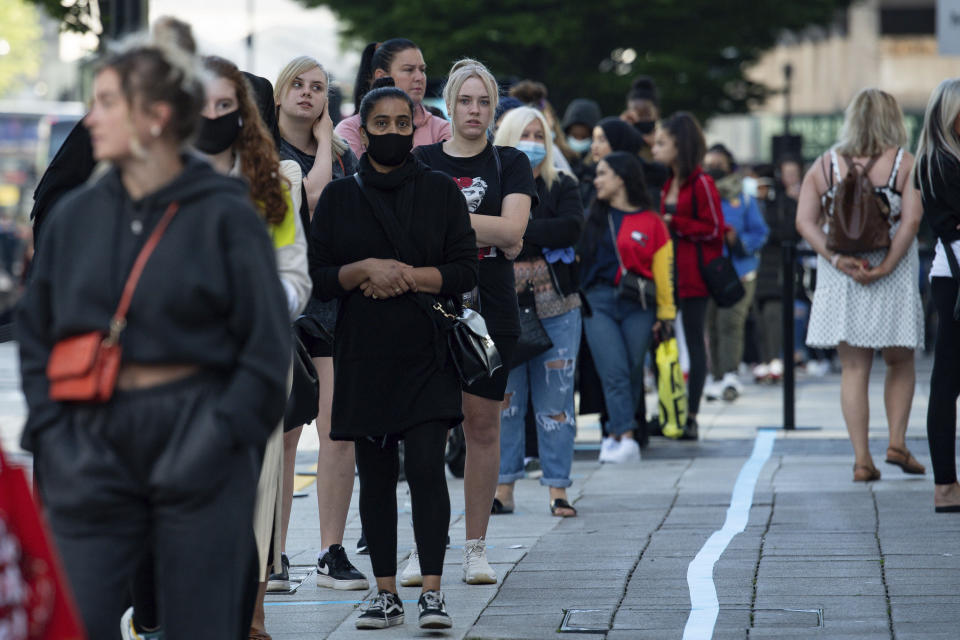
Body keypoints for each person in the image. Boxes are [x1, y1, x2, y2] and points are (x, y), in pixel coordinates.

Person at [16, 38, 291, 639]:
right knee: (76, 620)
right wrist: (61, 435)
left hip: (199, 441)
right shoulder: (74, 215)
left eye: (109, 102)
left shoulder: (227, 215)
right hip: (94, 446)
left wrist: (217, 438)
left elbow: (265, 350)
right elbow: (35, 335)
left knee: (196, 623)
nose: (94, 117)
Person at [310, 84, 478, 629]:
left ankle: (432, 590)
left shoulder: (440, 192)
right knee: (375, 474)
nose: (391, 133)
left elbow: (464, 271)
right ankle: (385, 592)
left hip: (427, 351)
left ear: (416, 126)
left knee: (428, 467)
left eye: (400, 124)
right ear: (362, 130)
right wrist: (363, 272)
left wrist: (406, 277)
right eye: (379, 124)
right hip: (363, 354)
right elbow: (319, 277)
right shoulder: (339, 197)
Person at [196, 55, 311, 639]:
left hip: (256, 358)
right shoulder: (156, 179)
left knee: (259, 485)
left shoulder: (277, 183)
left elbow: (296, 279)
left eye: (228, 107)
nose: (217, 118)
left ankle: (254, 613)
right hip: (180, 365)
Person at [412, 58, 536, 585]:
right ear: (448, 103)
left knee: (482, 426)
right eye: (465, 100)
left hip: (491, 311)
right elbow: (411, 232)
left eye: (485, 101)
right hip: (428, 310)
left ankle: (476, 548)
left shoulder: (511, 161)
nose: (475, 110)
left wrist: (445, 221)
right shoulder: (420, 158)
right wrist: (481, 230)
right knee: (425, 430)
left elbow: (513, 233)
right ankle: (428, 549)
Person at [272, 55, 369, 593]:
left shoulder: (343, 155)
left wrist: (330, 139)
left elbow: (342, 217)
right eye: (299, 85)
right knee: (285, 436)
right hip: (284, 305)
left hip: (332, 301)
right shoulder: (262, 154)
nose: (308, 95)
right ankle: (276, 554)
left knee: (337, 432)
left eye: (318, 88)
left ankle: (332, 550)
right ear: (281, 92)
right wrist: (329, 140)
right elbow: (311, 198)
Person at [795, 88, 925, 483]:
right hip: (893, 270)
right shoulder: (904, 163)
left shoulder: (826, 165)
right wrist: (886, 265)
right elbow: (912, 221)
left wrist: (835, 260)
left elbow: (805, 221)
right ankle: (897, 442)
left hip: (843, 274)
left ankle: (861, 459)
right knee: (899, 361)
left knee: (854, 367)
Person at [490, 107, 583, 516]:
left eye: (538, 133)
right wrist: (520, 234)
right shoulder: (492, 184)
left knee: (556, 402)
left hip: (558, 308)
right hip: (503, 308)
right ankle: (503, 488)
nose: (532, 141)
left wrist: (515, 230)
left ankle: (558, 488)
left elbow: (571, 228)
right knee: (506, 402)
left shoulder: (562, 183)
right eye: (523, 133)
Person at [579, 151, 675, 461]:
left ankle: (615, 433)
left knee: (633, 371)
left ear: (621, 178)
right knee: (615, 370)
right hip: (598, 302)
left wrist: (666, 314)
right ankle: (625, 436)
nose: (596, 180)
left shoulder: (653, 222)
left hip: (640, 304)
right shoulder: (591, 217)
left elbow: (664, 274)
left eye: (603, 173)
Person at [652, 112, 725, 439]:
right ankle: (668, 411)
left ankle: (691, 415)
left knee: (694, 343)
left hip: (694, 277)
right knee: (662, 343)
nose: (655, 149)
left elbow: (715, 230)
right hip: (666, 275)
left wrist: (674, 224)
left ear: (679, 146)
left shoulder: (701, 182)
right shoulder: (665, 180)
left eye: (662, 143)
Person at [915, 78, 960, 512]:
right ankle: (945, 484)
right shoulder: (938, 163)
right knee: (947, 376)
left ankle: (947, 484)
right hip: (955, 279)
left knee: (948, 377)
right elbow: (950, 226)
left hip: (950, 273)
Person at [703, 144, 769, 401]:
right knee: (712, 324)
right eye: (709, 165)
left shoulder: (744, 197)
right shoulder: (702, 195)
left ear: (730, 166)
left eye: (718, 164)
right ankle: (716, 376)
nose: (714, 169)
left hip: (740, 271)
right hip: (710, 271)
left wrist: (738, 241)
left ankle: (730, 374)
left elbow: (760, 232)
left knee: (731, 322)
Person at [335, 38, 450, 159]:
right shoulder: (350, 129)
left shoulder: (440, 129)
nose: (419, 77)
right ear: (381, 76)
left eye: (422, 70)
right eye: (408, 69)